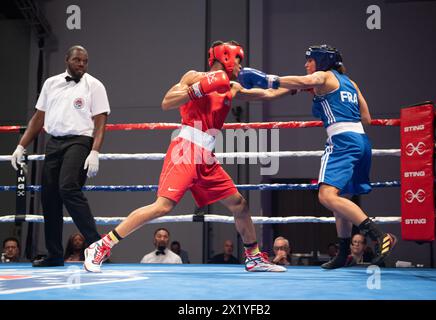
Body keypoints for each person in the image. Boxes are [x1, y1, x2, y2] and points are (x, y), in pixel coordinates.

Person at [84, 40, 293, 273]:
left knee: (239, 205)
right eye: (237, 59)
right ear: (224, 57)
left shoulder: (232, 87)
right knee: (162, 206)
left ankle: (253, 258)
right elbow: (167, 102)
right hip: (186, 148)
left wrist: (297, 87)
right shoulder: (194, 76)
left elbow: (265, 94)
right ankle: (101, 246)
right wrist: (200, 88)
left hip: (207, 156)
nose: (239, 65)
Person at [238, 44, 397, 269]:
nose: (306, 65)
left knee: (326, 196)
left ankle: (380, 236)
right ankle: (343, 254)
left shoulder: (321, 76)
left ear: (321, 62)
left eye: (310, 60)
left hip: (342, 143)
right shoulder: (351, 83)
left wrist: (267, 79)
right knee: (341, 200)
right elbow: (367, 118)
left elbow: (297, 83)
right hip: (362, 142)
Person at [11, 45, 111, 267]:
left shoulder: (94, 85)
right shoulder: (51, 83)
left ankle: (97, 246)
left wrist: (95, 151)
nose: (81, 65)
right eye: (77, 60)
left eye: (85, 61)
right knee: (49, 198)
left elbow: (101, 122)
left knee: (68, 188)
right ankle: (55, 254)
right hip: (54, 143)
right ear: (67, 59)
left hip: (80, 141)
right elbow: (38, 119)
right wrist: (21, 146)